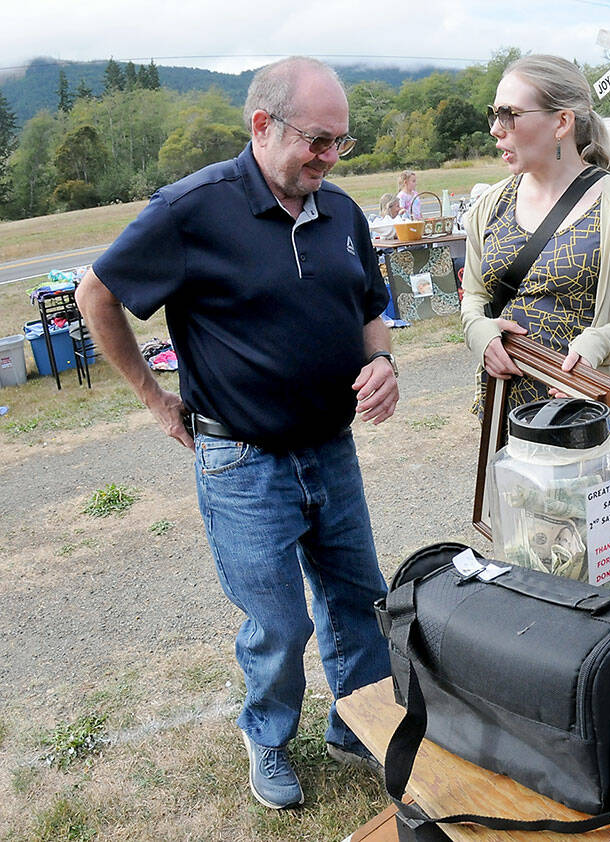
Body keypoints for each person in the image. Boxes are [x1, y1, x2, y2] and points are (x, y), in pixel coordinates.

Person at [76, 56, 396, 810]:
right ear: (262, 125)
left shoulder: (343, 213)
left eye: (341, 143)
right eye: (317, 140)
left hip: (331, 448)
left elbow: (370, 306)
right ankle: (269, 735)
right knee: (279, 621)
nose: (329, 158)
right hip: (243, 460)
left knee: (359, 597)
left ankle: (357, 722)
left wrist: (382, 360)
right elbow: (97, 294)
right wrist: (158, 404)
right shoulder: (192, 210)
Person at [460, 54, 610, 413]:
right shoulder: (490, 206)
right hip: (503, 416)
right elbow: (474, 295)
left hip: (589, 418)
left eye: (510, 115)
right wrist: (479, 333)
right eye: (495, 113)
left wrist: (600, 343)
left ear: (562, 122)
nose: (495, 129)